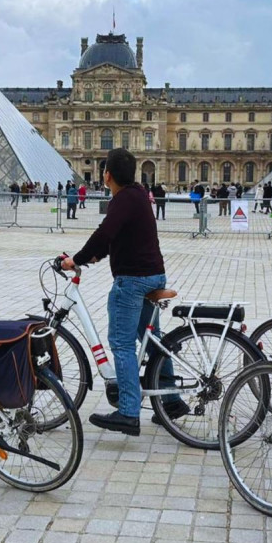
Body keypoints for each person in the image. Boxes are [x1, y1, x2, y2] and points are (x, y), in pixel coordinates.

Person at [61, 148, 186, 435]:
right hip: (154, 275)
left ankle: (129, 411)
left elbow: (105, 232)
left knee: (121, 342)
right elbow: (117, 238)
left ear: (106, 175)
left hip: (133, 281)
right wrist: (96, 255)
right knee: (152, 340)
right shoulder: (139, 194)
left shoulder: (122, 199)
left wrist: (76, 259)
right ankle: (171, 401)